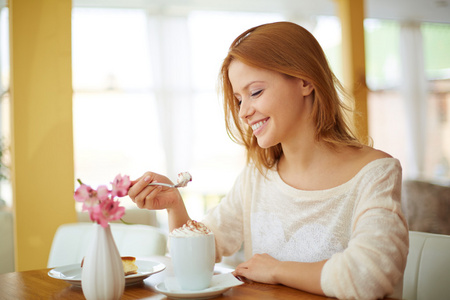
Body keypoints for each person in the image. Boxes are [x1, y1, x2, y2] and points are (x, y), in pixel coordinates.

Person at [128, 21, 409, 299]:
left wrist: (277, 270)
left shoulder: (375, 173)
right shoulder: (257, 176)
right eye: (239, 99)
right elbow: (199, 255)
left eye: (255, 92)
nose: (243, 112)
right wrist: (174, 205)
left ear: (305, 81)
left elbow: (368, 276)